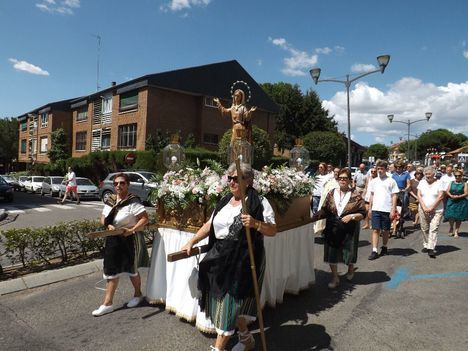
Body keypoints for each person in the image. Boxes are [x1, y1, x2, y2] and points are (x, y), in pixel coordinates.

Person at [181, 163, 276, 351]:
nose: (231, 182)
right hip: (220, 258)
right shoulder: (224, 200)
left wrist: (255, 223)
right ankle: (246, 339)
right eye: (229, 178)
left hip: (245, 260)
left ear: (248, 181)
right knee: (228, 305)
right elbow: (210, 225)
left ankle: (219, 348)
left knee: (229, 304)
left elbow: (273, 230)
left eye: (236, 178)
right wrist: (192, 241)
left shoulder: (260, 202)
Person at [92, 173, 150, 316]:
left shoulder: (133, 201)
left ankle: (138, 295)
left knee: (131, 269)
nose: (118, 186)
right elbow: (103, 217)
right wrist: (108, 225)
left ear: (127, 185)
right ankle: (108, 303)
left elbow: (144, 218)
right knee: (111, 270)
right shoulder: (111, 199)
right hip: (113, 238)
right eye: (116, 183)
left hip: (128, 238)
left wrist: (132, 230)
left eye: (122, 183)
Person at [311, 168, 366, 289]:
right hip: (333, 227)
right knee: (332, 252)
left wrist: (351, 216)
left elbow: (363, 213)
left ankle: (350, 268)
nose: (342, 180)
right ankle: (335, 277)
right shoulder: (331, 193)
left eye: (345, 178)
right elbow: (325, 209)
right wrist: (314, 217)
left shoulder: (355, 195)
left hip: (350, 228)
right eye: (340, 178)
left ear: (349, 180)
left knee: (349, 251)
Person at [367, 160, 399, 260]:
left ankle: (384, 246)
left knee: (385, 230)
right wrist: (370, 208)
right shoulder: (373, 181)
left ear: (386, 169)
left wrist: (393, 209)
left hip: (386, 209)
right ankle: (374, 250)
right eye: (378, 168)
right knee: (375, 229)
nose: (379, 170)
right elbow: (372, 195)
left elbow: (394, 196)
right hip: (376, 209)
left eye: (381, 168)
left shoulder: (391, 181)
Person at [417, 167, 445, 258]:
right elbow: (419, 195)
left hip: (437, 210)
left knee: (433, 228)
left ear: (434, 174)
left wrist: (432, 207)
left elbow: (440, 196)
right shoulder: (422, 182)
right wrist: (424, 207)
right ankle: (426, 244)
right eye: (426, 174)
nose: (427, 176)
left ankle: (431, 248)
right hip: (423, 208)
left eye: (429, 174)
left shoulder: (439, 183)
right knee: (424, 228)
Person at [444, 170, 468, 237]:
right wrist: (451, 195)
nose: (457, 177)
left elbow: (466, 193)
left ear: (461, 176)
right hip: (451, 201)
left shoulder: (464, 183)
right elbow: (447, 191)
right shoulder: (451, 182)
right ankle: (451, 227)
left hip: (461, 202)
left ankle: (456, 231)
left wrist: (459, 196)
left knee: (458, 217)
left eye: (459, 176)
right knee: (451, 216)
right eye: (456, 176)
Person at [392, 160, 411, 235]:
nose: (398, 168)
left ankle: (402, 222)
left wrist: (405, 189)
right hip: (395, 192)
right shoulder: (393, 175)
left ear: (402, 167)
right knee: (395, 208)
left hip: (403, 192)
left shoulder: (406, 174)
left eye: (399, 167)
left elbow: (409, 184)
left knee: (403, 208)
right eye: (396, 167)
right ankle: (394, 226)